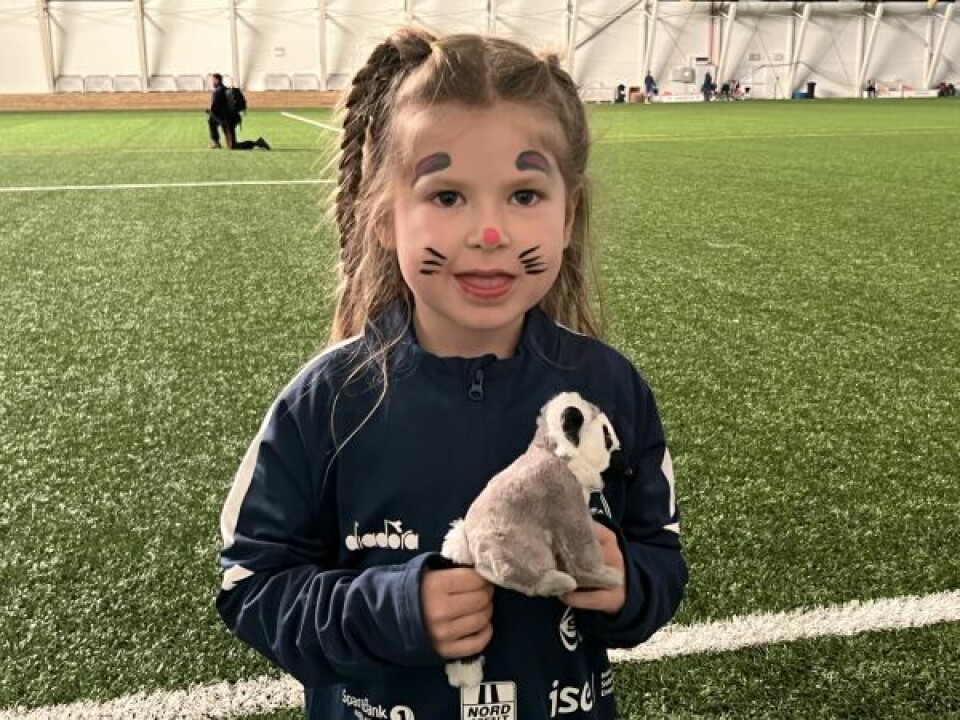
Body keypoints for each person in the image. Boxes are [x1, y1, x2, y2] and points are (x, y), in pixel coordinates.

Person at [216, 27, 687, 720]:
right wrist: (393, 610)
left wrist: (628, 585)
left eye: (524, 195)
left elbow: (662, 558)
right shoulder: (325, 401)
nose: (488, 233)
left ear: (569, 214)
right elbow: (250, 583)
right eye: (446, 196)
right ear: (384, 216)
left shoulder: (609, 390)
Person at [207, 72, 270, 150]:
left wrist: (210, 112)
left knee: (233, 146)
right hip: (230, 118)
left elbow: (215, 107)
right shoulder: (224, 89)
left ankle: (258, 143)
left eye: (213, 80)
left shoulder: (218, 91)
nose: (212, 82)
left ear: (217, 80)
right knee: (211, 120)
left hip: (228, 121)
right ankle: (216, 142)